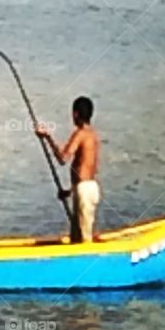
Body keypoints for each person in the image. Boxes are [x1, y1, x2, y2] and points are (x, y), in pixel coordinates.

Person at [37, 96, 100, 243]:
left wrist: (47, 137)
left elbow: (63, 158)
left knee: (84, 239)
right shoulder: (93, 135)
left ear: (76, 114)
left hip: (84, 191)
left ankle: (88, 256)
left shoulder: (80, 134)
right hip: (88, 188)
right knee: (76, 238)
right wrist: (70, 191)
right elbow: (87, 169)